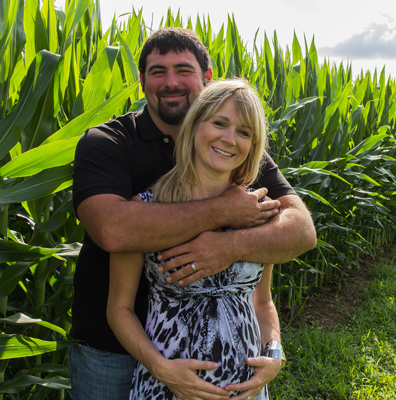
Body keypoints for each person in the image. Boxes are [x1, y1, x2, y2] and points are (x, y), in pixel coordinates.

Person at [69, 27, 316, 399]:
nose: (171, 82)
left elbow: (296, 238)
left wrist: (274, 349)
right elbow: (114, 231)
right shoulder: (109, 143)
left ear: (206, 78)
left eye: (183, 70)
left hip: (240, 380)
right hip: (119, 356)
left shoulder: (243, 162)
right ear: (141, 81)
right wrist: (222, 211)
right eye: (157, 71)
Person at [108, 78, 282, 400]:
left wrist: (273, 352)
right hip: (166, 388)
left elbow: (262, 301)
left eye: (244, 132)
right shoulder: (146, 210)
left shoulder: (258, 214)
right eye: (220, 123)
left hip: (245, 391)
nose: (230, 139)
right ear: (194, 125)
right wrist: (160, 368)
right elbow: (119, 309)